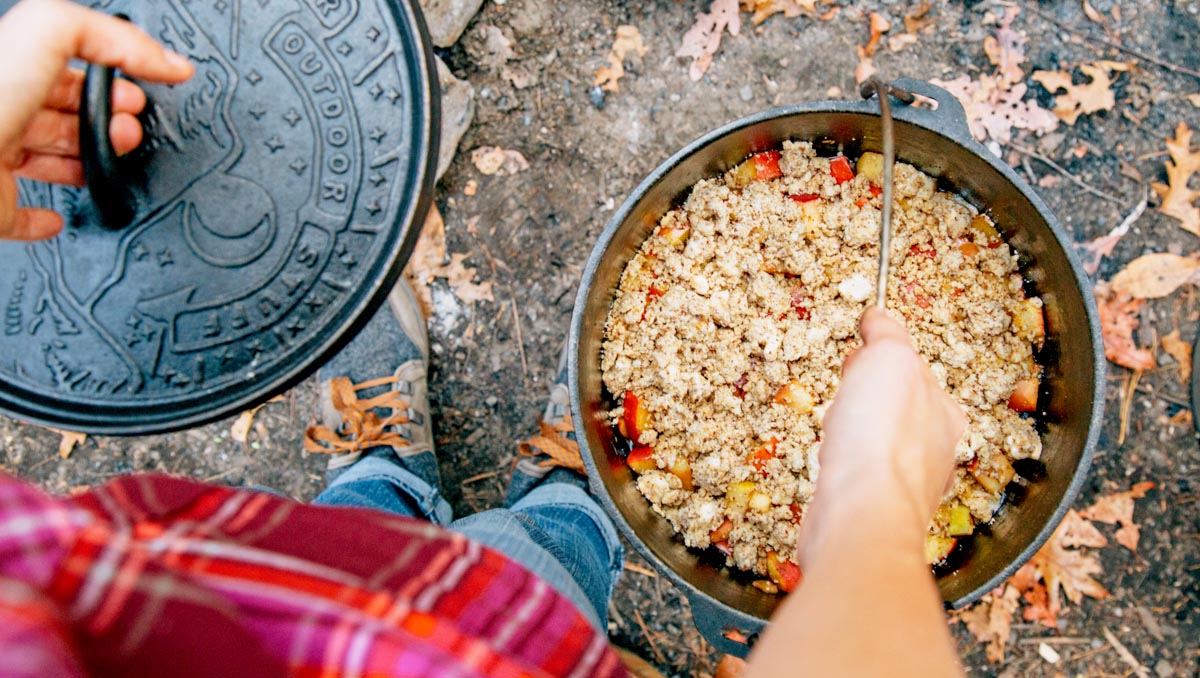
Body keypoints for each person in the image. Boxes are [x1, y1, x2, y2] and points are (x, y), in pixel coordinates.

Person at [0, 1, 967, 676]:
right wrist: (874, 489)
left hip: (191, 585)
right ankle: (569, 498)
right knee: (528, 561)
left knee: (348, 533)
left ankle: (381, 478)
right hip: (462, 656)